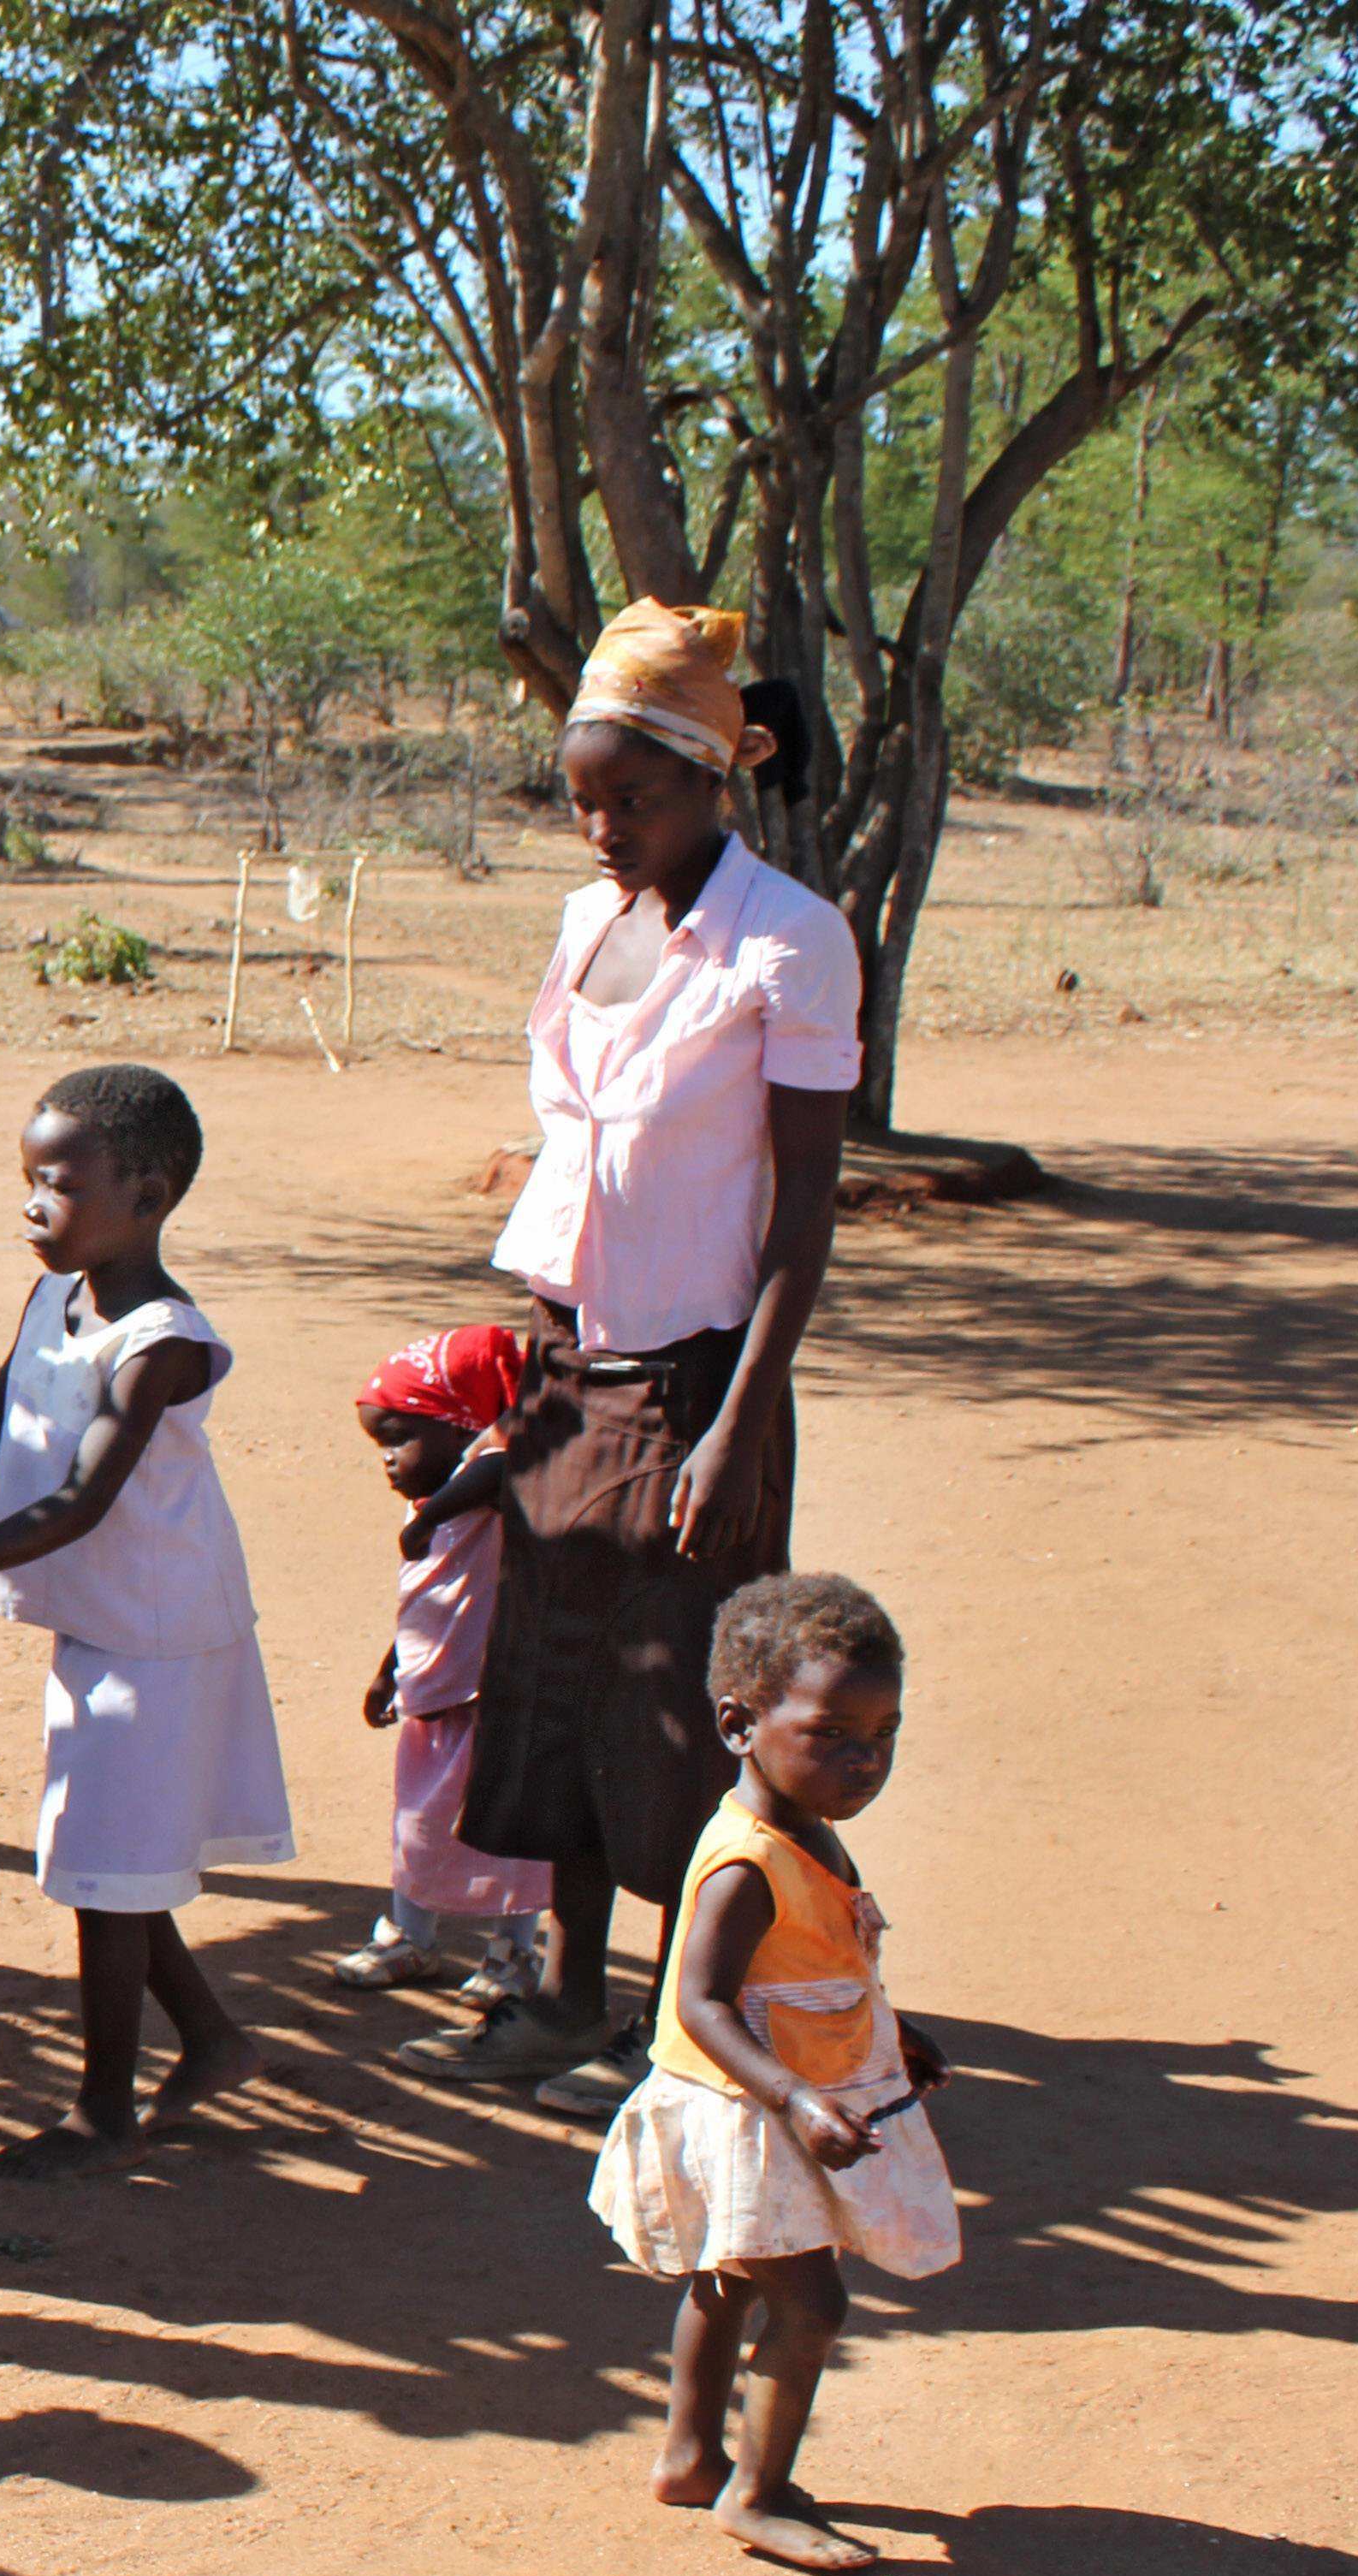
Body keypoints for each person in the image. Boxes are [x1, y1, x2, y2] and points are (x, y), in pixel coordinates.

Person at [400, 597, 854, 2122]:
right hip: (562, 1364)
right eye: (580, 798)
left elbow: (799, 1216)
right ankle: (564, 1996)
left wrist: (738, 1420)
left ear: (712, 781)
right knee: (547, 1684)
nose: (599, 827)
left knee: (672, 1705)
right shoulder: (586, 921)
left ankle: (683, 2034)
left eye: (631, 799)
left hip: (694, 1377)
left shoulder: (786, 941)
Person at [0, 1065, 290, 2177]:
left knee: (98, 1868)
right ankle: (212, 2041)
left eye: (59, 1185)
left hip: (161, 1635)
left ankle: (104, 2111)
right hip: (107, 1621)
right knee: (109, 1862)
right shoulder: (54, 1296)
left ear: (152, 1193)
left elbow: (79, 1504)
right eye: (28, 1180)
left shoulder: (161, 1340)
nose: (32, 1205)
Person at [588, 1572, 952, 2574]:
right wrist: (795, 2096)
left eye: (884, 1733)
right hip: (749, 2107)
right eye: (834, 1733)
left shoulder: (803, 1827)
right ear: (740, 1723)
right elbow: (698, 1999)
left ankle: (690, 2456)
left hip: (769, 2097)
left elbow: (815, 1965)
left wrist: (893, 2033)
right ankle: (756, 2493)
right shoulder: (749, 1861)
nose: (865, 1759)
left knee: (731, 2279)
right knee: (812, 2305)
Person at [330, 1324, 554, 1999]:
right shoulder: (451, 1499)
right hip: (435, 1696)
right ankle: (409, 1939)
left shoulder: (486, 1482)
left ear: (461, 1428)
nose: (389, 1460)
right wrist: (390, 1667)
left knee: (506, 1835)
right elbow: (427, 1606)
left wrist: (433, 1515)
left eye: (399, 1437)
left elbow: (503, 1461)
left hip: (491, 1697)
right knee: (420, 1826)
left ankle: (513, 1956)